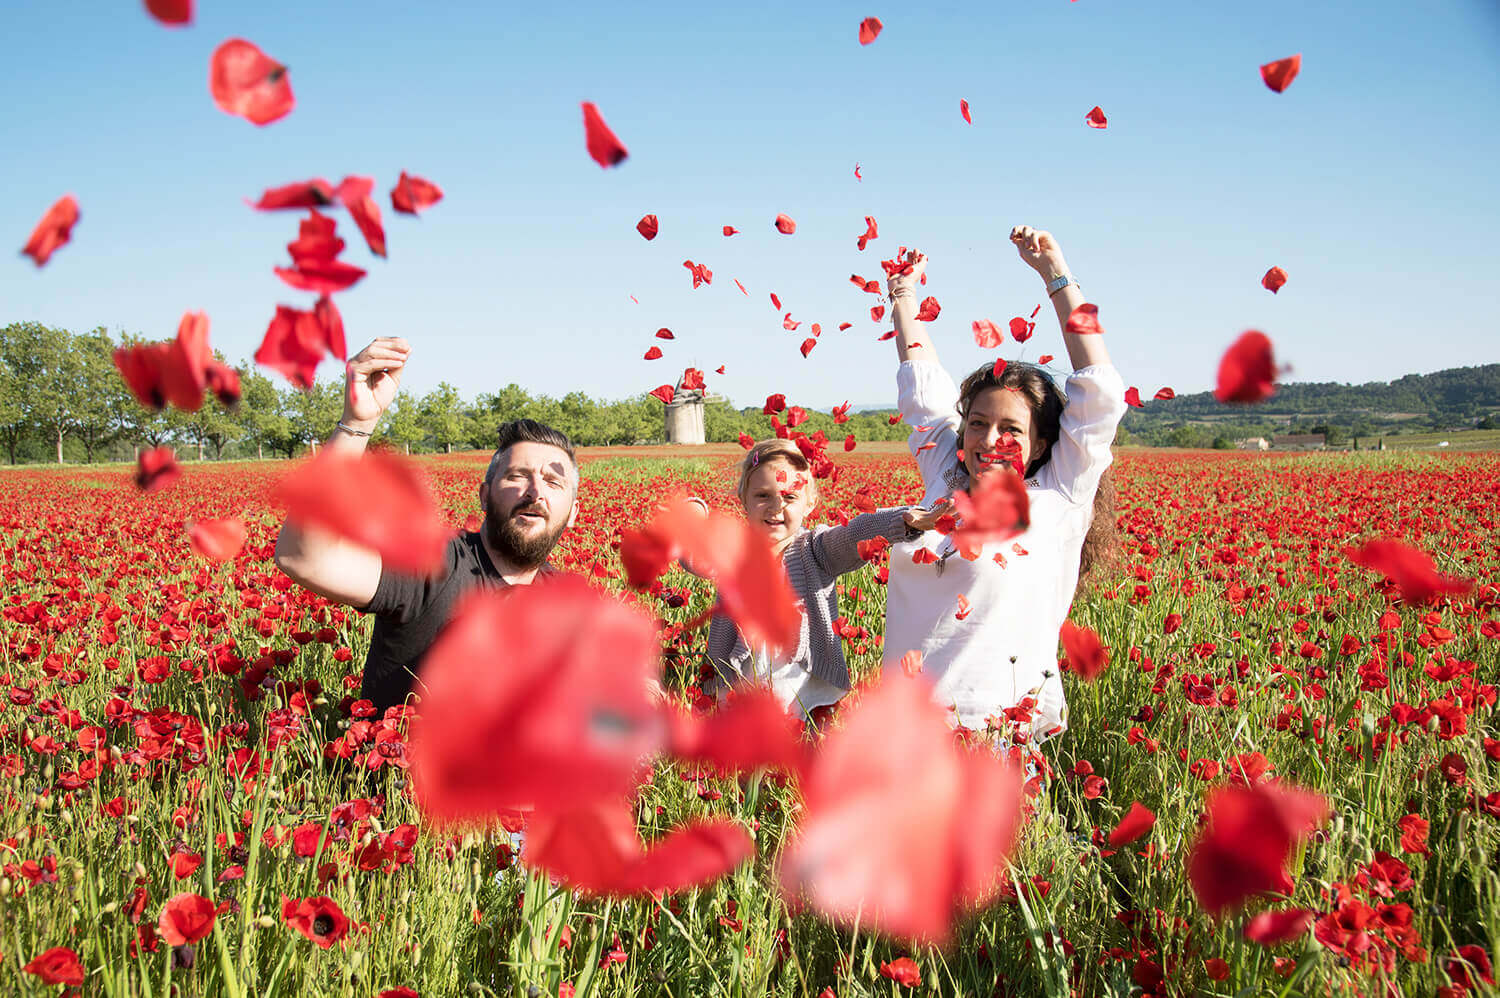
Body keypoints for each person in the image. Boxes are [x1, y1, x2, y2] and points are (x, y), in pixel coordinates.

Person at [882, 226, 1127, 745]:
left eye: (1011, 429)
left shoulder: (1059, 494)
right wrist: (904, 297)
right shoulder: (946, 475)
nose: (989, 439)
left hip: (999, 738)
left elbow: (1099, 388)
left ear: (1039, 445)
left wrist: (1055, 273)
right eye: (977, 423)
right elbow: (922, 387)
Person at [273, 337, 580, 714]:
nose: (535, 492)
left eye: (553, 481)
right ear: (483, 496)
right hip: (399, 771)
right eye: (517, 476)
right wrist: (356, 424)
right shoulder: (434, 565)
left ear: (572, 512)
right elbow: (304, 557)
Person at [686, 439, 952, 721]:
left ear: (810, 503)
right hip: (739, 678)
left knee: (797, 745)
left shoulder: (816, 549)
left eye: (789, 497)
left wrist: (903, 521)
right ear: (744, 499)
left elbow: (854, 534)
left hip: (797, 680)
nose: (776, 507)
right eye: (763, 495)